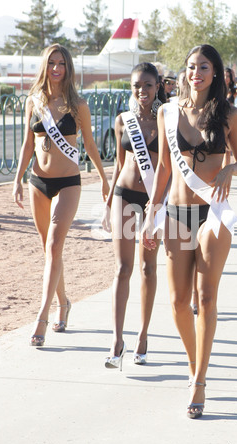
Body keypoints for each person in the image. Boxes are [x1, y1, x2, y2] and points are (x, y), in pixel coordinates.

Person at [142, 44, 237, 419]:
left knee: (205, 297)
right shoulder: (168, 112)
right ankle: (193, 363)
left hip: (214, 213)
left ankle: (200, 381)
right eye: (191, 67)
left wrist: (227, 171)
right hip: (177, 212)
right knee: (176, 302)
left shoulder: (229, 114)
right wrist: (150, 217)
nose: (196, 72)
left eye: (204, 66)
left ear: (215, 72)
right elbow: (165, 171)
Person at [12, 44, 109, 346]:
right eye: (52, 63)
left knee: (55, 245)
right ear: (45, 66)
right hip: (37, 182)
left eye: (62, 64)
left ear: (68, 68)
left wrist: (105, 179)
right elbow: (28, 145)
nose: (56, 68)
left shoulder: (78, 104)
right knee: (49, 251)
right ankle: (64, 302)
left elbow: (91, 145)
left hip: (68, 182)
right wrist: (17, 179)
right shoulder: (34, 101)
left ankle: (43, 316)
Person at [101, 62, 166, 370]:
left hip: (153, 201)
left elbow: (168, 169)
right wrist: (106, 203)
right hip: (124, 197)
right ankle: (117, 340)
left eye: (148, 85)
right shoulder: (123, 121)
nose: (142, 91)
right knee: (122, 269)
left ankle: (142, 336)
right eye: (137, 86)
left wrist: (158, 210)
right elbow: (118, 162)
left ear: (158, 85)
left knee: (148, 269)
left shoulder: (167, 120)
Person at [223, 67, 237, 167]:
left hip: (230, 118)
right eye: (224, 75)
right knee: (222, 148)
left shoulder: (233, 91)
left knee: (228, 150)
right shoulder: (218, 89)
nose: (226, 78)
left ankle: (225, 170)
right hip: (220, 117)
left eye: (228, 76)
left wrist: (235, 81)